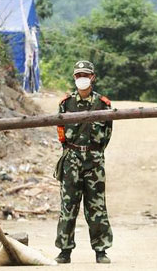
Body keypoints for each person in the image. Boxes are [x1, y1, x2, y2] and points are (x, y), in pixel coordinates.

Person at [54, 60, 113, 264]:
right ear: (74, 78)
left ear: (93, 77)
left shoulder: (103, 105)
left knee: (96, 206)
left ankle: (101, 250)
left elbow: (107, 135)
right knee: (68, 205)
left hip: (94, 160)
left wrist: (93, 153)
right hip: (71, 159)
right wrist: (73, 152)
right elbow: (61, 133)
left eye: (85, 75)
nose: (82, 79)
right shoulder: (66, 103)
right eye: (78, 75)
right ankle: (64, 250)